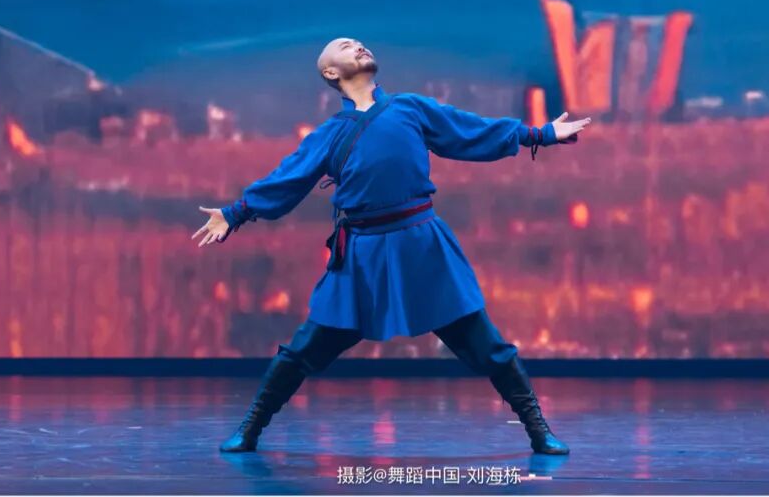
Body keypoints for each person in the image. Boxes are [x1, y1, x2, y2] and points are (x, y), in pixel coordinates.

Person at [194, 38, 590, 455]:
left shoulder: (409, 108)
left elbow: (469, 131)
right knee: (305, 348)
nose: (358, 47)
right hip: (362, 256)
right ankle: (251, 428)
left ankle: (538, 430)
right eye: (346, 47)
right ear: (331, 72)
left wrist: (541, 134)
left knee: (486, 345)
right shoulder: (329, 135)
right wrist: (235, 213)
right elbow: (286, 180)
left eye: (359, 43)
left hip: (421, 246)